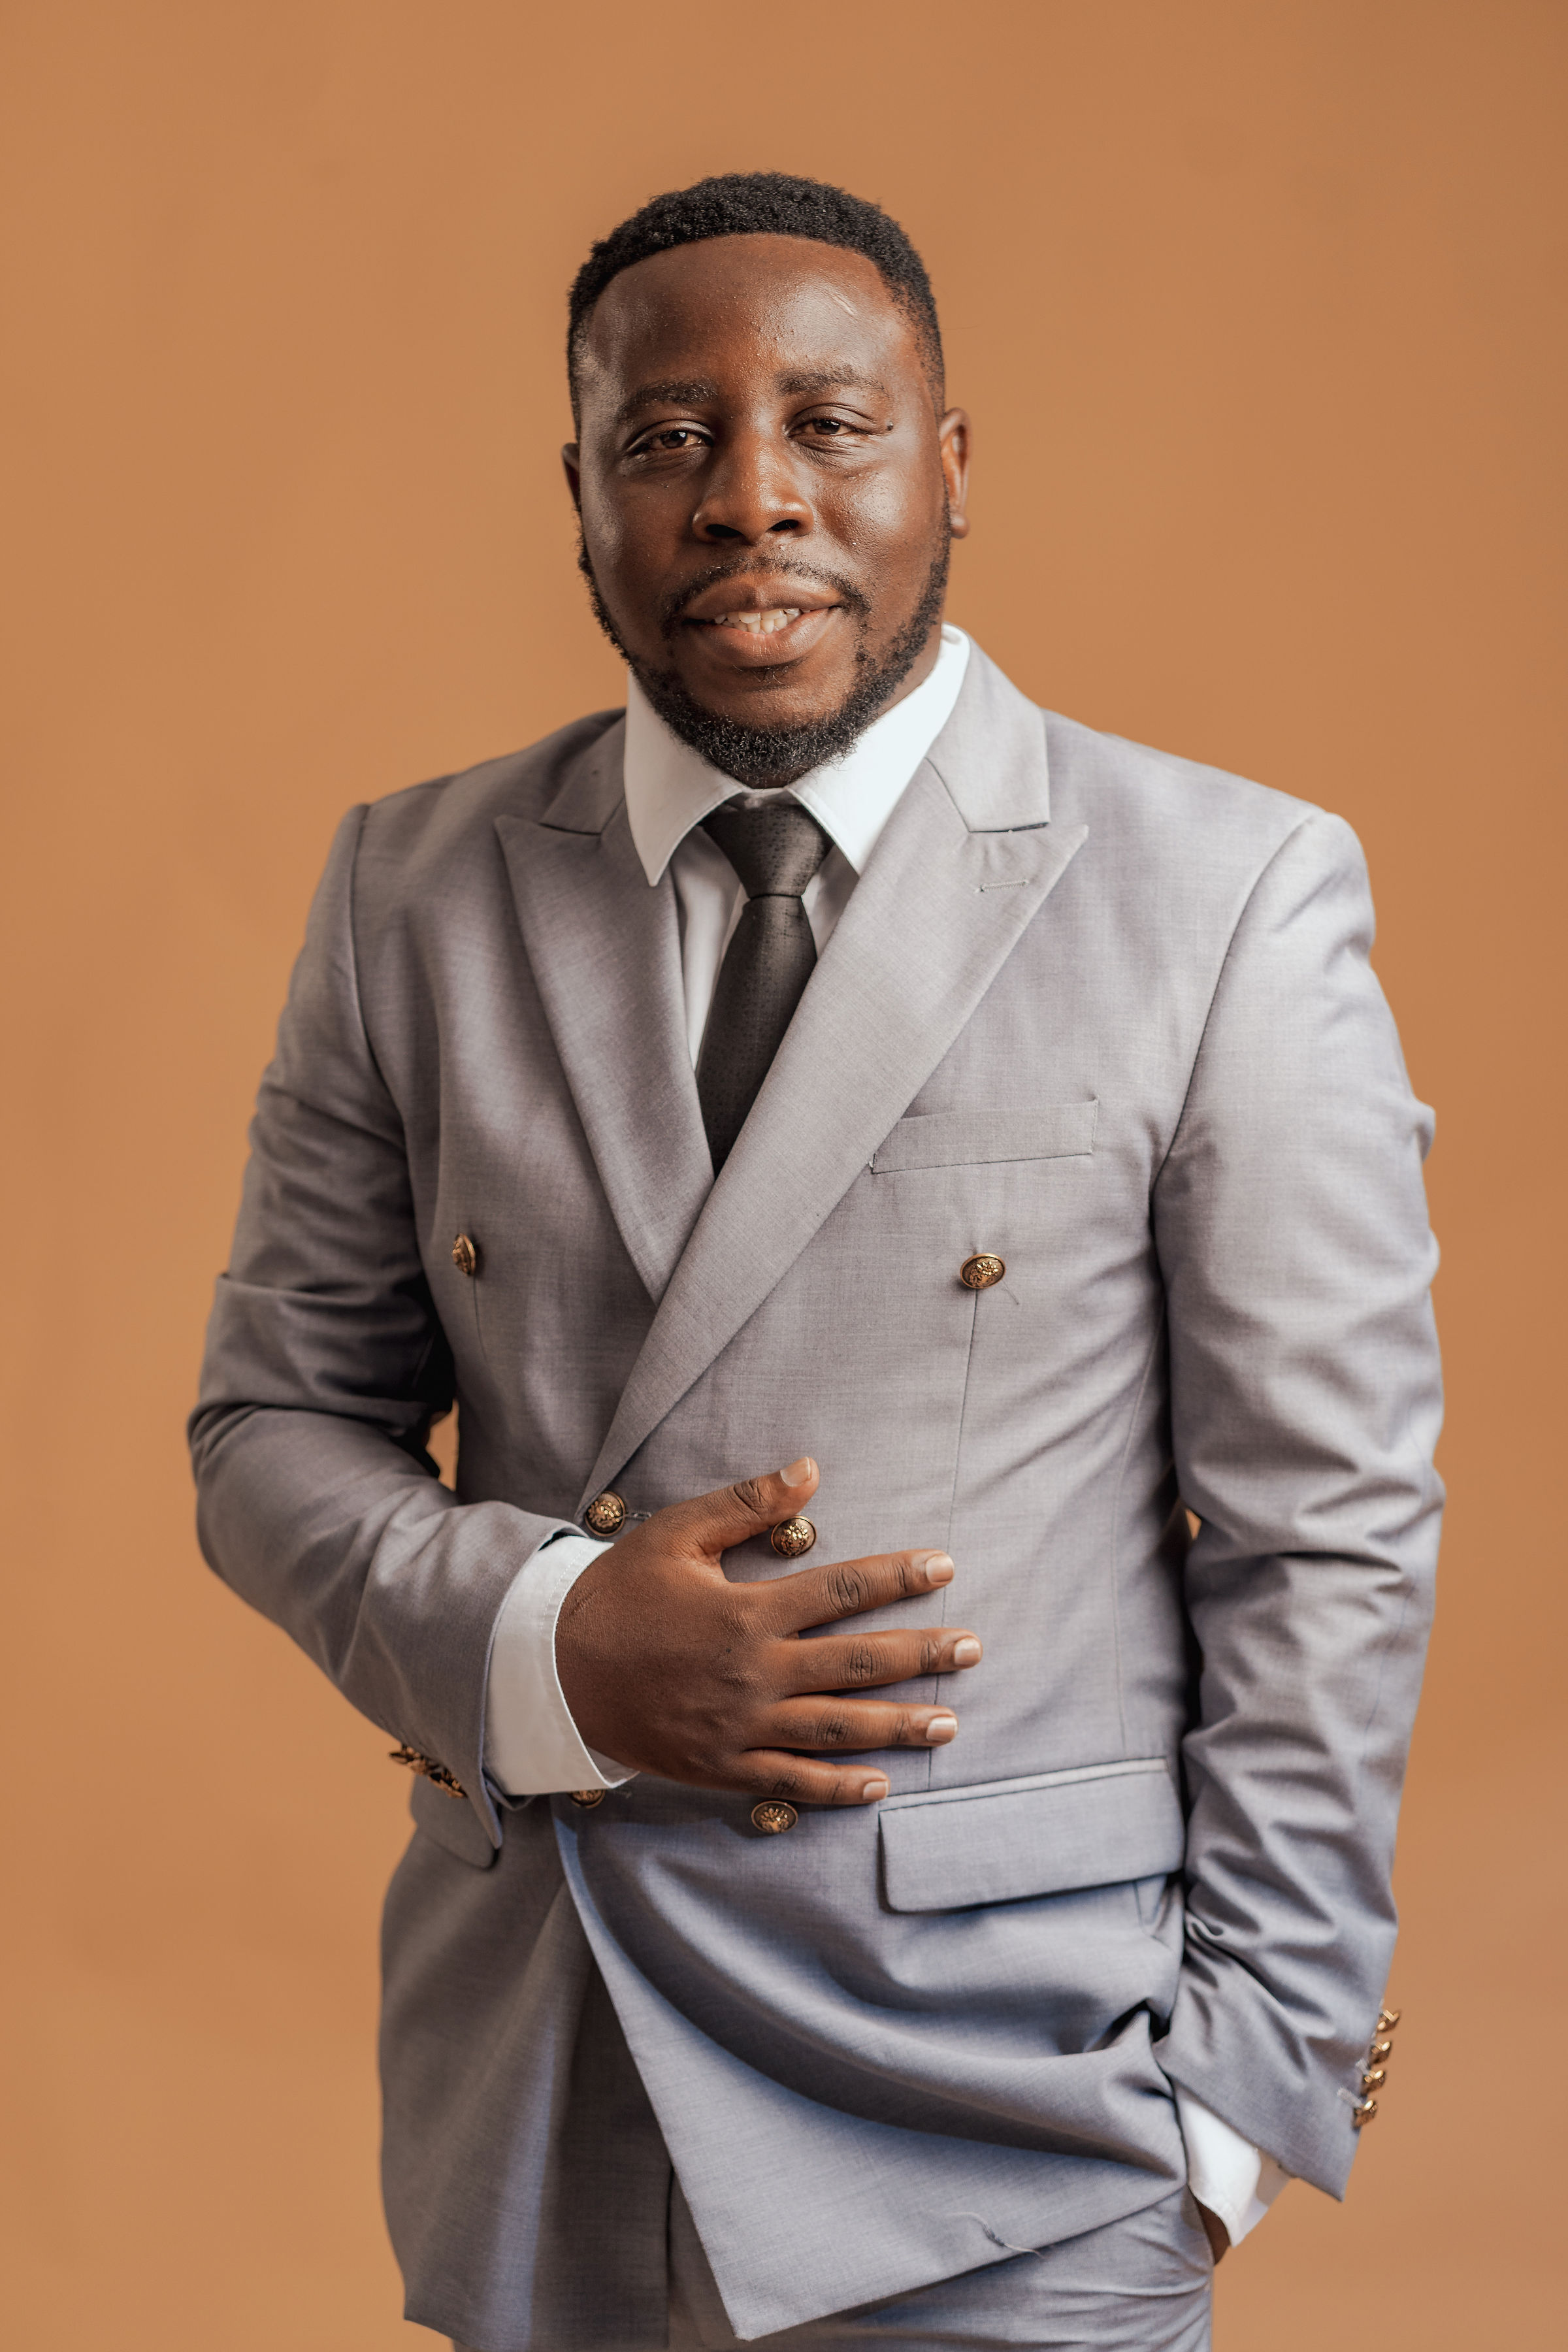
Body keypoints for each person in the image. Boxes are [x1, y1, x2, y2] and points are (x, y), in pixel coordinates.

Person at [190, 172, 1442, 2352]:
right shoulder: (414, 889)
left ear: (949, 466)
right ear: (580, 496)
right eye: (666, 437)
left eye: (828, 425)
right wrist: (548, 1642)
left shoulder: (1226, 891)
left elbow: (1324, 1531)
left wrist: (1239, 2104)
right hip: (544, 2080)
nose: (749, 496)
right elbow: (272, 1429)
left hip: (1020, 2108)